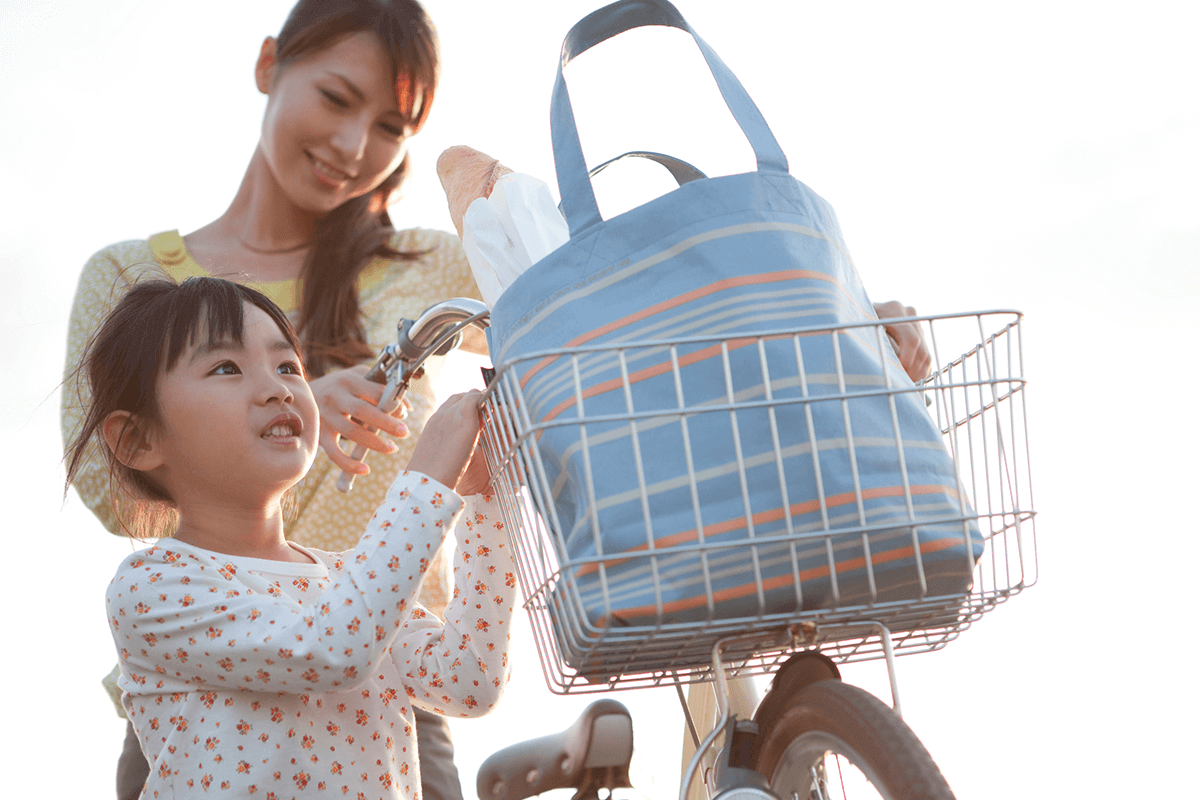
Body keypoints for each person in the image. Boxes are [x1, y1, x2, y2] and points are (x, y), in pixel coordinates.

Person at [59, 2, 486, 797]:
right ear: (268, 66)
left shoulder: (430, 264)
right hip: (208, 697)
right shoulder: (130, 281)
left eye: (393, 127)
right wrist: (303, 400)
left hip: (394, 694)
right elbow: (104, 487)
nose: (355, 147)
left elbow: (570, 310)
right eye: (335, 97)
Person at [64, 276, 517, 799]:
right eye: (225, 368)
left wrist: (486, 498)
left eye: (287, 367)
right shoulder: (153, 586)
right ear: (138, 439)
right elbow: (334, 648)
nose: (279, 387)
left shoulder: (350, 580)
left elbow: (470, 680)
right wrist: (426, 481)